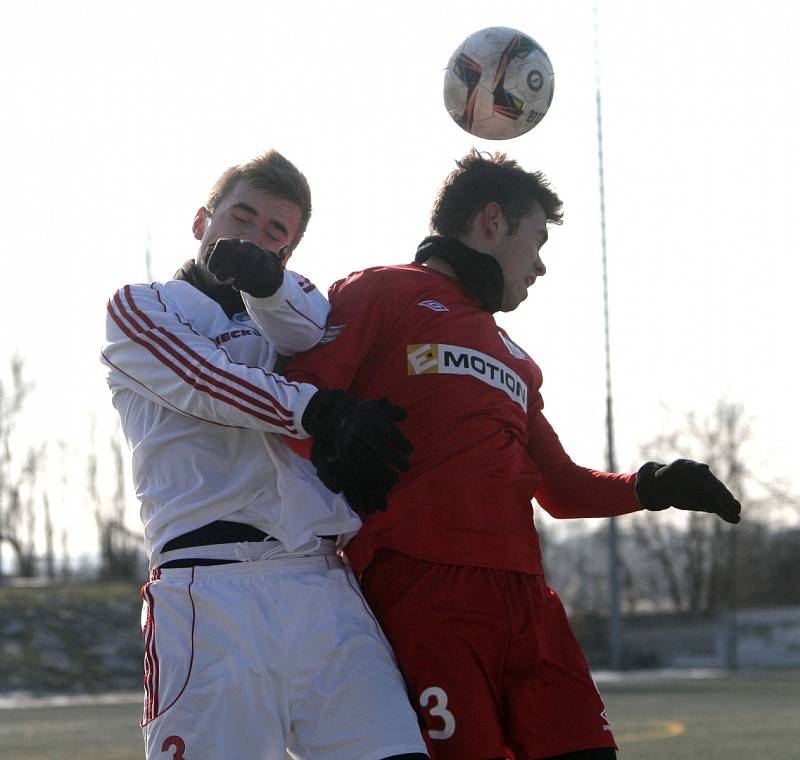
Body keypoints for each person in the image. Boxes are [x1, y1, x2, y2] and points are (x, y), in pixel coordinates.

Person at [285, 149, 742, 760]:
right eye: (538, 240)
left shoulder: (514, 356)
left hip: (528, 597)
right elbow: (291, 404)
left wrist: (653, 484)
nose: (542, 265)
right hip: (423, 587)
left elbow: (558, 487)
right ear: (492, 222)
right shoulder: (381, 291)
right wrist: (332, 442)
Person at [101, 149, 427, 760]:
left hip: (323, 587)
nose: (251, 237)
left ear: (288, 253)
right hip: (209, 589)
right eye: (240, 217)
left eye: (274, 233)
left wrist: (269, 284)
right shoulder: (140, 305)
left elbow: (310, 328)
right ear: (202, 222)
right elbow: (203, 381)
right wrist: (319, 410)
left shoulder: (298, 305)